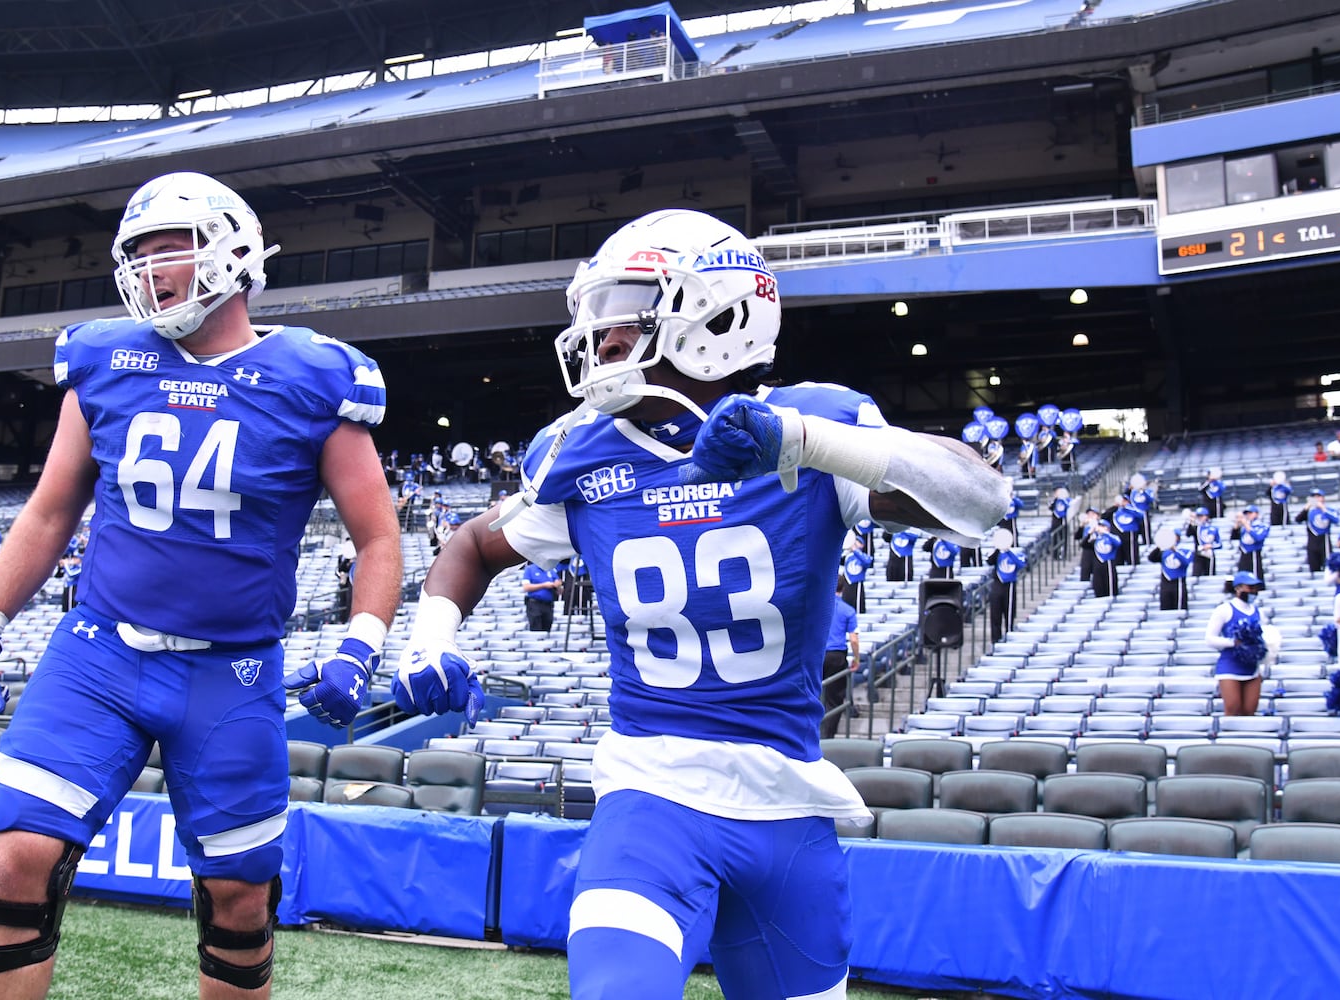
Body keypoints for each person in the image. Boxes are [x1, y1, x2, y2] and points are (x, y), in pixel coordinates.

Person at [385, 210, 1008, 1000]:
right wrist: (430, 639)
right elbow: (471, 547)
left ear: (710, 311)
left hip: (788, 806)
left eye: (624, 309)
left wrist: (806, 442)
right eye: (595, 313)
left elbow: (985, 499)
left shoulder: (811, 427)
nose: (599, 335)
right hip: (652, 795)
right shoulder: (582, 453)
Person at [0, 172, 400, 998]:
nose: (152, 272)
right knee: (17, 854)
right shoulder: (106, 361)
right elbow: (50, 512)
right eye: (141, 255)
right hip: (99, 656)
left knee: (240, 897)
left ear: (233, 252)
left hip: (228, 669)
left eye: (172, 251)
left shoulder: (312, 374)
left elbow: (377, 535)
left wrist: (358, 648)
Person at [1207, 570, 1270, 716]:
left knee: (1249, 711)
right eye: (1250, 587)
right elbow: (1210, 639)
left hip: (1252, 668)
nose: (1253, 591)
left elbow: (1264, 636)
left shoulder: (1258, 612)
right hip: (1229, 666)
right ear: (1238, 588)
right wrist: (1234, 642)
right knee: (1233, 709)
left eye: (1255, 588)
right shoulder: (1224, 610)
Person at [823, 577, 859, 740]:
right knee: (834, 699)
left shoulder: (819, 608)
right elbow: (853, 639)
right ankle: (827, 736)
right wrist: (856, 659)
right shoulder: (848, 610)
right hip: (837, 655)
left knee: (814, 694)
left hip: (818, 654)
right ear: (843, 588)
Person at [986, 531, 1026, 643]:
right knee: (995, 615)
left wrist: (1008, 549)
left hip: (1009, 586)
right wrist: (998, 547)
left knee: (1009, 614)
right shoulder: (996, 553)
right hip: (997, 586)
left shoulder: (1014, 554)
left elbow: (1021, 564)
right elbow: (989, 561)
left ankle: (1009, 637)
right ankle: (995, 640)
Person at [1147, 527, 1194, 612]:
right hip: (1165, 584)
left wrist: (1175, 550)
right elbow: (1151, 558)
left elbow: (1185, 562)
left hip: (1178, 584)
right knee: (1165, 610)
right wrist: (1160, 546)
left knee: (1180, 610)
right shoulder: (1163, 552)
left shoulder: (1185, 551)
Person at [1296, 488, 1340, 574]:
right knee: (1313, 568)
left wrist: (1323, 508)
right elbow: (1298, 519)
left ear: (1323, 498)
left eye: (1318, 497)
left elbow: (1336, 520)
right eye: (1314, 497)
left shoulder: (1329, 510)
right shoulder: (1309, 511)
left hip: (1324, 542)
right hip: (1312, 543)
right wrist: (1306, 508)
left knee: (1328, 567)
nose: (1316, 499)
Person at [523, 560, 561, 631]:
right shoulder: (530, 569)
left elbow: (559, 589)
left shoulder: (551, 570)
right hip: (535, 604)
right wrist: (544, 585)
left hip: (548, 605)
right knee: (536, 628)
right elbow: (526, 587)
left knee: (547, 628)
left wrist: (558, 585)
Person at [1232, 506, 1268, 579]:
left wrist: (1246, 525)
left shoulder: (1262, 525)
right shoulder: (1244, 527)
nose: (1248, 515)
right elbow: (1234, 538)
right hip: (1244, 552)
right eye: (1247, 513)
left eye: (1250, 513)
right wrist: (1236, 526)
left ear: (1256, 514)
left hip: (1253, 553)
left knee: (1255, 576)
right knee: (1242, 575)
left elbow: (1258, 538)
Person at [840, 536, 874, 614]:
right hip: (847, 583)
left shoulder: (863, 556)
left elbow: (868, 561)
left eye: (857, 542)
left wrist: (855, 550)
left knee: (857, 606)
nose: (854, 543)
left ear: (862, 545)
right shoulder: (847, 555)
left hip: (857, 584)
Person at [1090, 519, 1121, 599]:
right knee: (1098, 587)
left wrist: (1106, 533)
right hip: (1097, 565)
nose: (1100, 528)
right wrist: (1090, 532)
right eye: (1099, 526)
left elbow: (1118, 543)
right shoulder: (1095, 538)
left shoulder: (1112, 537)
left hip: (1109, 564)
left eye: (1103, 526)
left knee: (1110, 588)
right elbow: (1084, 544)